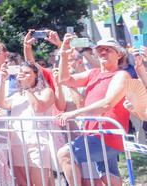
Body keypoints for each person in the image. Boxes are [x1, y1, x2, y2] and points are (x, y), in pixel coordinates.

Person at [55, 37, 131, 186]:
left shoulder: (121, 75)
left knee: (65, 154)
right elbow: (64, 79)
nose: (103, 52)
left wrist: (74, 113)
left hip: (108, 136)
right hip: (96, 134)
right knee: (108, 176)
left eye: (108, 49)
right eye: (99, 49)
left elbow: (107, 104)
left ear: (119, 54)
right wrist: (63, 52)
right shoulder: (93, 73)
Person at [0, 61, 56, 186]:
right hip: (17, 143)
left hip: (38, 143)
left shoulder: (47, 91)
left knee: (39, 183)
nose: (22, 75)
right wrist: (2, 80)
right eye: (21, 73)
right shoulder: (17, 95)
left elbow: (38, 108)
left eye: (27, 73)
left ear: (36, 75)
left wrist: (27, 87)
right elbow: (1, 102)